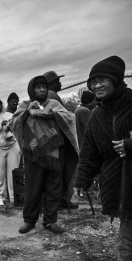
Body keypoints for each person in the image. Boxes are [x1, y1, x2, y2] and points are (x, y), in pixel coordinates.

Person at [74, 55, 132, 261]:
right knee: (127, 246)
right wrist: (82, 179)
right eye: (92, 82)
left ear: (116, 80)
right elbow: (90, 152)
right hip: (121, 189)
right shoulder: (97, 115)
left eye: (102, 80)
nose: (96, 85)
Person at [11, 76, 79, 234]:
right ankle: (30, 220)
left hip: (56, 152)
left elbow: (70, 118)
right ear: (31, 90)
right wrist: (28, 113)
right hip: (34, 153)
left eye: (44, 86)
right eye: (38, 87)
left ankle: (50, 221)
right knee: (33, 187)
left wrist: (53, 115)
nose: (42, 89)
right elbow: (13, 123)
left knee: (54, 186)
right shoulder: (25, 105)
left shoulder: (54, 104)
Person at [43, 70, 79, 210]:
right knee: (59, 172)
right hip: (57, 141)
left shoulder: (49, 95)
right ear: (50, 83)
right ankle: (59, 202)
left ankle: (61, 201)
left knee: (59, 172)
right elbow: (60, 117)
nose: (60, 83)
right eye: (57, 80)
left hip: (54, 141)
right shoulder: (51, 95)